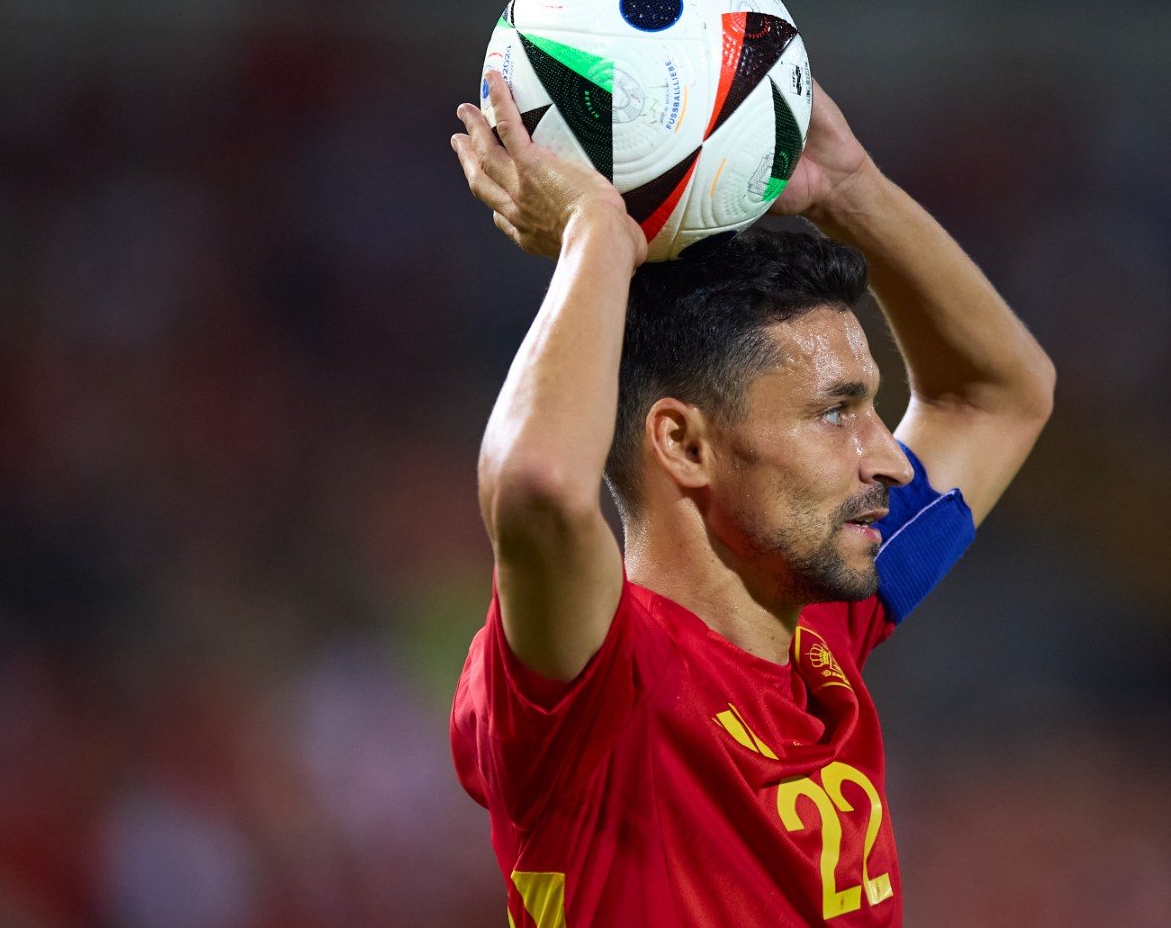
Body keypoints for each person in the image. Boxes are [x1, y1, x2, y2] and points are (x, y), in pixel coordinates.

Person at [447, 68, 1054, 926]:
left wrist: (850, 192)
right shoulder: (598, 681)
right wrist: (597, 236)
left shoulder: (821, 628)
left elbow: (997, 393)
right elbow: (538, 485)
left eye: (871, 408)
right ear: (684, 443)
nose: (886, 456)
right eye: (836, 411)